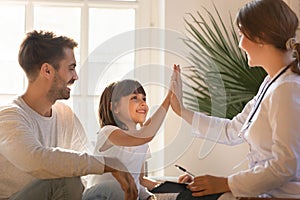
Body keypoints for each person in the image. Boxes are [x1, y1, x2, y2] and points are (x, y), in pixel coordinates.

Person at [170, 0, 300, 199]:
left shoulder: (287, 88)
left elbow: (285, 166)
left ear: (261, 37)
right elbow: (231, 130)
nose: (240, 44)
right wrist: (182, 111)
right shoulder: (271, 82)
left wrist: (226, 183)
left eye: (241, 35)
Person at [0, 30, 137, 200]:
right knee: (66, 180)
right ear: (47, 70)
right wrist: (108, 163)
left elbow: (83, 165)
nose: (75, 76)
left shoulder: (64, 115)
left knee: (114, 190)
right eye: (71, 68)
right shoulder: (9, 117)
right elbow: (36, 160)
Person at [82, 79, 172, 200]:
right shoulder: (108, 132)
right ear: (115, 107)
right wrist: (169, 99)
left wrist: (169, 188)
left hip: (125, 194)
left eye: (144, 99)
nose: (143, 103)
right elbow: (142, 136)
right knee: (119, 187)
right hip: (98, 195)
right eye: (134, 98)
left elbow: (139, 181)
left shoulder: (142, 143)